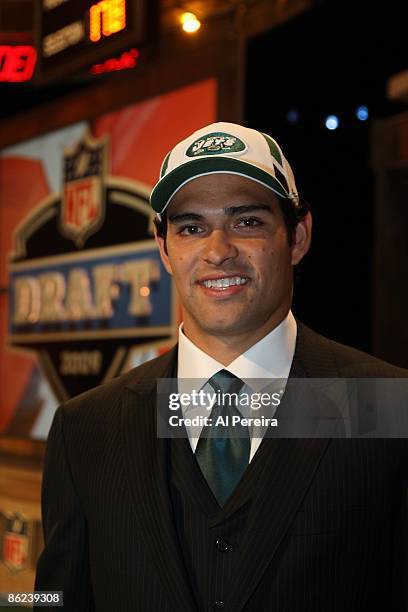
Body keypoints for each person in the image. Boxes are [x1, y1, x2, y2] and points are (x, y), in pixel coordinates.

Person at [35, 122, 408, 611]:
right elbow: (54, 599)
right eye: (191, 228)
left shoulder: (386, 407)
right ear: (164, 248)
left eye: (246, 222)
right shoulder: (86, 429)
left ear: (297, 236)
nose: (217, 251)